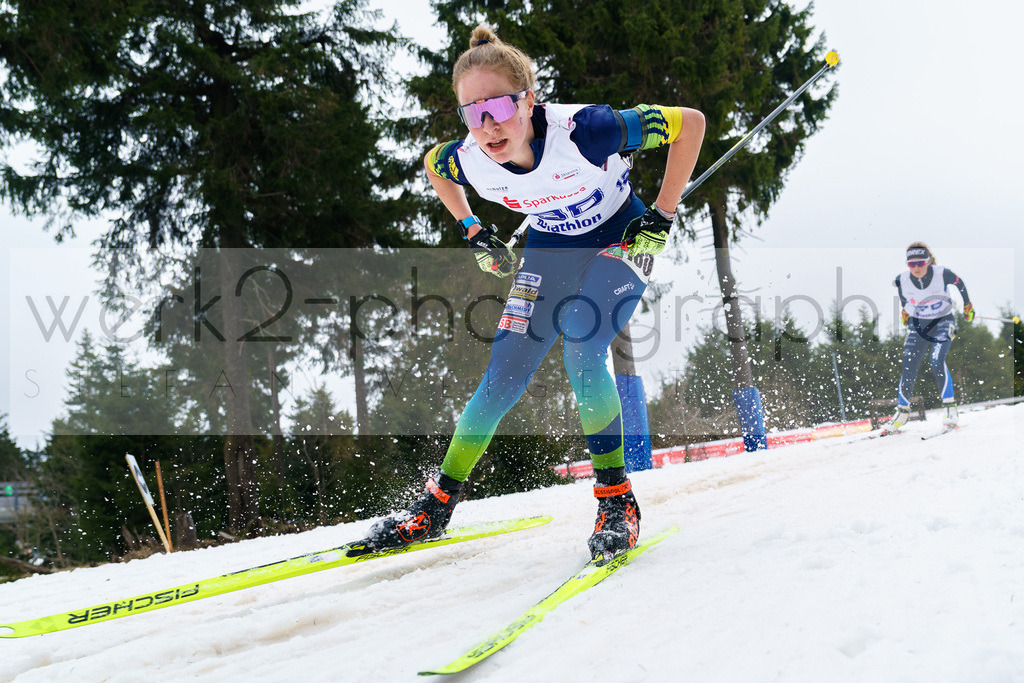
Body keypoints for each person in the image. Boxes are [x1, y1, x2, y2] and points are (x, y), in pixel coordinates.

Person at [363, 25, 704, 559]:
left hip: (623, 235)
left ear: (529, 100)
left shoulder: (588, 131)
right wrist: (473, 230)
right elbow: (435, 166)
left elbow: (692, 126)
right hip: (551, 248)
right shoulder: (468, 158)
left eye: (498, 106)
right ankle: (436, 506)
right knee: (502, 374)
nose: (488, 125)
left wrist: (662, 213)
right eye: (473, 114)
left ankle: (617, 500)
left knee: (582, 348)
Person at [885, 242, 974, 432]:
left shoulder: (942, 273)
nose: (916, 268)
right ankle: (902, 413)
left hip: (943, 322)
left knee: (936, 360)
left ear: (928, 262)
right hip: (918, 325)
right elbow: (904, 299)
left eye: (920, 263)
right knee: (908, 364)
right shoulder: (902, 280)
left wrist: (967, 304)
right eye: (912, 264)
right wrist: (905, 312)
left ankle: (950, 409)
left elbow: (960, 283)